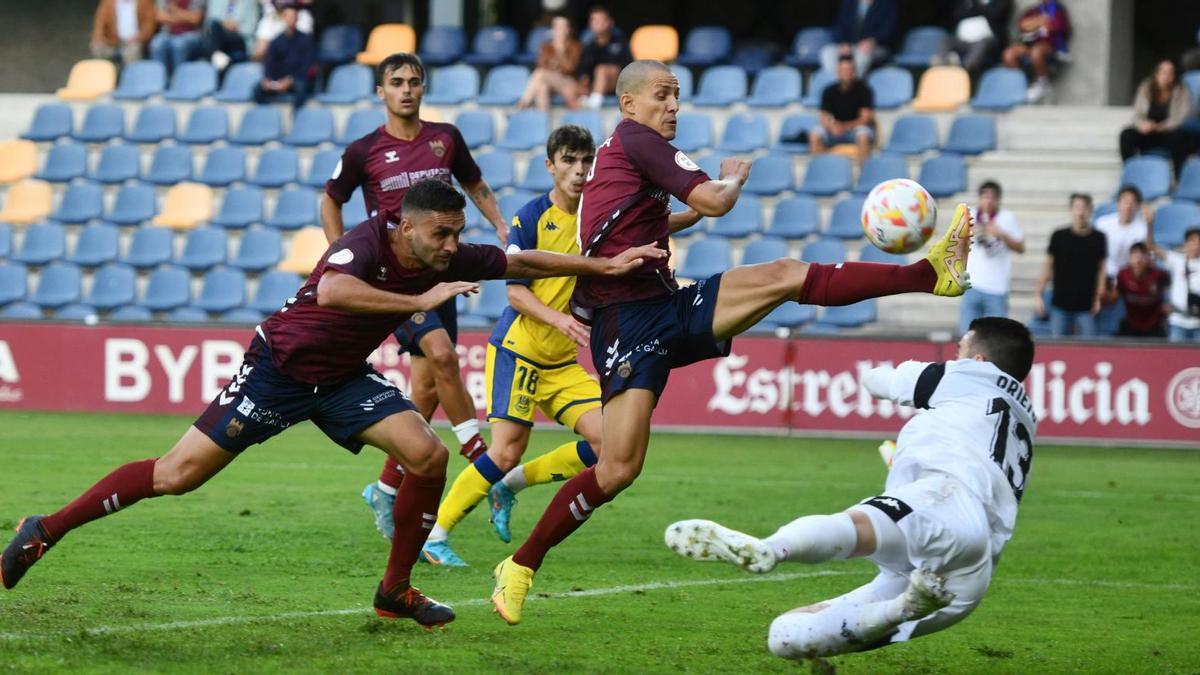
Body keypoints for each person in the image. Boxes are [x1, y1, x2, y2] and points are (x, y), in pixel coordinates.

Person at [0, 178, 663, 628]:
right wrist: (417, 302)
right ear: (407, 227)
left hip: (342, 379)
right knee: (176, 475)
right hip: (279, 371)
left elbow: (527, 264)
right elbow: (334, 293)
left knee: (426, 455)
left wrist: (606, 269)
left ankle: (394, 589)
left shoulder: (441, 251)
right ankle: (44, 528)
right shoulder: (368, 242)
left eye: (458, 234)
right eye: (442, 234)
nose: (452, 246)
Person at [488, 59, 975, 626]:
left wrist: (663, 223)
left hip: (665, 304)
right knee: (618, 469)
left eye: (679, 95)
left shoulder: (621, 156)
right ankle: (519, 565)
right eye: (663, 95)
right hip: (627, 322)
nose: (674, 105)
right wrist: (733, 177)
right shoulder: (635, 140)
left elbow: (649, 219)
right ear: (629, 105)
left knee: (785, 274)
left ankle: (928, 274)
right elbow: (715, 203)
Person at [665, 317, 1037, 661]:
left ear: (981, 359)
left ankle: (770, 549)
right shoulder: (1025, 415)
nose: (955, 356)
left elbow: (879, 380)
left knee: (855, 526)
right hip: (971, 572)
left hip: (945, 503)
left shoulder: (972, 375)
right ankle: (904, 607)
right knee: (787, 637)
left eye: (961, 349)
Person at [316, 53, 509, 547]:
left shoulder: (446, 138)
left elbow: (475, 182)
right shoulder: (364, 150)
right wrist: (340, 251)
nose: (406, 89)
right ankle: (482, 460)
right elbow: (330, 197)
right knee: (443, 356)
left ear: (424, 88)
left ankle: (384, 487)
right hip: (396, 279)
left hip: (439, 271)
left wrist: (500, 224)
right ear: (380, 91)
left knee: (424, 388)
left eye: (414, 82)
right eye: (396, 82)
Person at [420, 125, 604, 566]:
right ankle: (435, 536)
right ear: (550, 166)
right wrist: (560, 318)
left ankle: (510, 486)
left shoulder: (597, 218)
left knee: (611, 443)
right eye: (569, 162)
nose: (579, 171)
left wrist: (700, 207)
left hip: (560, 361)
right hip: (518, 350)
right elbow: (515, 292)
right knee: (504, 449)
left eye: (586, 162)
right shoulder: (531, 217)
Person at [1033, 193, 1107, 338]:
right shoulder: (1059, 236)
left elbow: (1102, 270)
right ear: (1071, 210)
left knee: (1089, 348)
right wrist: (1038, 294)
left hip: (1087, 305)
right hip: (1060, 304)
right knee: (1059, 348)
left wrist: (1099, 297)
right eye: (1077, 207)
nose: (1081, 212)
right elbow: (1048, 266)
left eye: (1085, 208)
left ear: (1090, 210)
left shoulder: (1099, 238)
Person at [959, 180, 1024, 334]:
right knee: (967, 336)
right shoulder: (970, 216)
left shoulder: (1007, 218)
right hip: (971, 284)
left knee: (995, 338)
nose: (988, 201)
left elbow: (1020, 247)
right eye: (985, 197)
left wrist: (1000, 234)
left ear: (998, 200)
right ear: (979, 198)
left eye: (992, 197)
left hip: (997, 287)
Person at [1118, 59, 1192, 177]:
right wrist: (1142, 125)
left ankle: (1178, 178)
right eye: (1163, 72)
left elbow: (1182, 116)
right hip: (1147, 132)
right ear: (1156, 74)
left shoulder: (1181, 89)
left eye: (1170, 72)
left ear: (1174, 75)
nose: (1166, 76)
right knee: (1126, 134)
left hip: (1168, 132)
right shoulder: (1145, 87)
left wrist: (1162, 126)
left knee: (1179, 138)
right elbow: (1137, 114)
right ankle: (1130, 172)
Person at [809, 55, 876, 167]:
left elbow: (865, 118)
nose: (846, 72)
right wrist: (832, 127)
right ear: (838, 72)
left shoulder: (864, 90)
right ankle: (821, 171)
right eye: (843, 70)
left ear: (854, 72)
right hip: (834, 129)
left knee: (863, 135)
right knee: (815, 134)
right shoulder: (829, 90)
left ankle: (864, 173)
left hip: (855, 129)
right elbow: (823, 116)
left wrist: (845, 127)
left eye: (849, 70)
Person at [1002, 0, 1071, 104]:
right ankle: (1018, 85)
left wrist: (1036, 23)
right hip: (1029, 44)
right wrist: (1040, 21)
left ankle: (1042, 84)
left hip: (1050, 46)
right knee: (1009, 54)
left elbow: (1057, 26)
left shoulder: (1058, 9)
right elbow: (1022, 25)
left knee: (1036, 51)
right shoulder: (1034, 10)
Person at [253, 5, 314, 109]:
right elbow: (270, 63)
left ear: (297, 18)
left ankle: (296, 118)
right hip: (279, 81)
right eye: (287, 16)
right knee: (257, 89)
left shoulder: (305, 40)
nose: (290, 19)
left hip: (296, 80)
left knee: (301, 87)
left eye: (293, 16)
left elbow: (307, 66)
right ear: (283, 18)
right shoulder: (276, 41)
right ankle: (269, 114)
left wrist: (289, 80)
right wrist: (268, 80)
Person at [518, 15, 582, 111]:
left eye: (561, 27)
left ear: (568, 29)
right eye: (556, 26)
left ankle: (522, 105)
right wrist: (554, 68)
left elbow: (570, 68)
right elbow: (542, 65)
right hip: (550, 81)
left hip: (568, 83)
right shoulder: (546, 46)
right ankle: (544, 120)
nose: (558, 30)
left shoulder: (576, 46)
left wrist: (559, 50)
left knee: (540, 73)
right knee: (542, 87)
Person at [820, 0, 898, 76]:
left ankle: (854, 85)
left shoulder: (886, 3)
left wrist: (873, 41)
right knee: (827, 52)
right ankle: (838, 84)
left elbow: (890, 29)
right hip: (851, 46)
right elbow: (838, 27)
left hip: (877, 46)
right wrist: (843, 43)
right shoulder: (849, 2)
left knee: (862, 54)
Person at [1149, 227, 1200, 342]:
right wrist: (1149, 224)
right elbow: (1151, 246)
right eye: (1193, 241)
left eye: (1199, 242)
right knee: (1176, 358)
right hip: (1178, 321)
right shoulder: (1177, 260)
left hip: (1198, 323)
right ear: (1185, 244)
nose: (1196, 245)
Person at [1109, 242, 1169, 338]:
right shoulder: (1123, 275)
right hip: (1131, 324)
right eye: (1135, 256)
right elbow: (1113, 299)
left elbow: (1168, 294)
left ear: (1148, 258)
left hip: (1154, 325)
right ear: (1129, 258)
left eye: (1142, 256)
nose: (1139, 260)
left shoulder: (1159, 275)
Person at [577, 5, 632, 109]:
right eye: (594, 20)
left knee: (601, 70)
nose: (597, 23)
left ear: (610, 22)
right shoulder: (588, 47)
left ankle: (594, 104)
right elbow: (583, 72)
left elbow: (629, 68)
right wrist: (584, 80)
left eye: (601, 20)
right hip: (593, 87)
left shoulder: (620, 42)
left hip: (618, 85)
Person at [944, 0, 1013, 77]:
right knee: (946, 40)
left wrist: (973, 6)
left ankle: (964, 72)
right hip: (963, 41)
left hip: (988, 42)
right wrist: (981, 9)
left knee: (982, 44)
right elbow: (958, 14)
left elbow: (995, 14)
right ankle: (939, 69)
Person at [1094, 185, 1148, 280]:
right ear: (1118, 203)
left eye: (1132, 202)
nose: (1128, 206)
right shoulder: (1102, 223)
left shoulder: (1143, 229)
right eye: (1125, 202)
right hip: (1105, 274)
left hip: (1130, 277)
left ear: (1138, 206)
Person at [90, 0, 158, 65]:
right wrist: (98, 36)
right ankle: (106, 73)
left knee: (133, 51)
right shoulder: (108, 1)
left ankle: (129, 75)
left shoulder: (145, 1)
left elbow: (149, 25)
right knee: (97, 47)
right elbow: (100, 20)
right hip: (113, 41)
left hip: (135, 41)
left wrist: (138, 38)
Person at [149, 0, 207, 73]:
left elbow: (195, 19)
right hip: (168, 33)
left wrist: (175, 10)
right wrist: (184, 17)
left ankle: (178, 80)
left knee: (178, 45)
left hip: (191, 34)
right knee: (156, 44)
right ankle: (159, 80)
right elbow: (159, 16)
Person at [203, 0, 258, 70]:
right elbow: (209, 22)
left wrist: (236, 27)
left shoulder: (250, 2)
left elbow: (250, 28)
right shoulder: (215, 1)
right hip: (220, 37)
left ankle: (215, 56)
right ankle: (218, 56)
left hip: (240, 39)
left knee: (214, 28)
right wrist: (224, 24)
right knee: (214, 25)